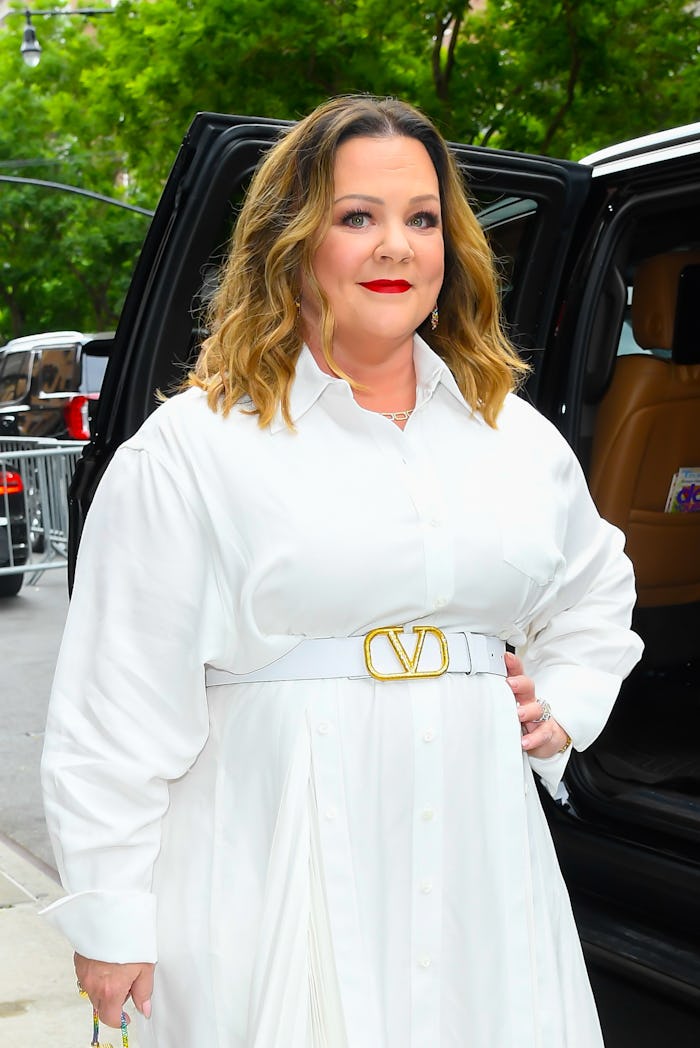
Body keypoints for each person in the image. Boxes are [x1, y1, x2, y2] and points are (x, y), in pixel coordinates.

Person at [41, 95, 643, 1048]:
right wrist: (111, 921)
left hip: (484, 871)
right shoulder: (194, 446)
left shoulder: (513, 437)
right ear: (290, 243)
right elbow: (114, 707)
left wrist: (564, 699)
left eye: (422, 218)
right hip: (265, 863)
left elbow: (596, 590)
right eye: (356, 217)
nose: (395, 246)